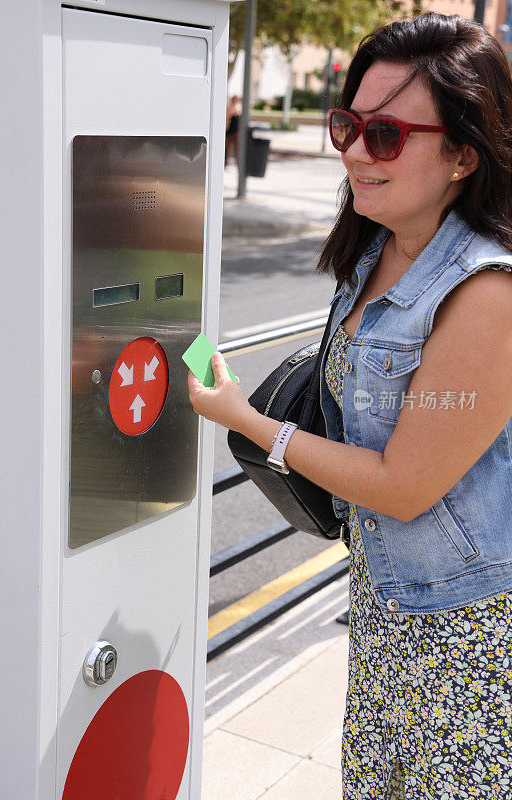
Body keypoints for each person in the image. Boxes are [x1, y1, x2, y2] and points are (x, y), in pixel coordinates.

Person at [188, 12, 512, 799]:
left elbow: (405, 484)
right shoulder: (374, 251)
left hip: (463, 633)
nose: (354, 153)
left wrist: (251, 424)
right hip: (381, 602)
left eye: (387, 136)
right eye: (347, 126)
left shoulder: (487, 292)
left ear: (464, 153)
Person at [225, 94, 241, 167]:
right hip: (229, 131)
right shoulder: (229, 107)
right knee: (226, 148)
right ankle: (225, 164)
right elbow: (227, 115)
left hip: (236, 131)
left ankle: (238, 164)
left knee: (237, 149)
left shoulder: (239, 107)